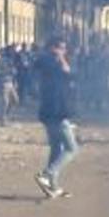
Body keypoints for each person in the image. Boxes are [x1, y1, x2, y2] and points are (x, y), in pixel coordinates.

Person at [35, 36, 79, 199]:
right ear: (52, 48)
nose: (64, 51)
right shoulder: (52, 63)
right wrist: (60, 58)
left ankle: (53, 186)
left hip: (49, 112)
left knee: (56, 148)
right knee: (72, 148)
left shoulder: (46, 62)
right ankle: (46, 174)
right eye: (61, 47)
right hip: (57, 113)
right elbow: (70, 74)